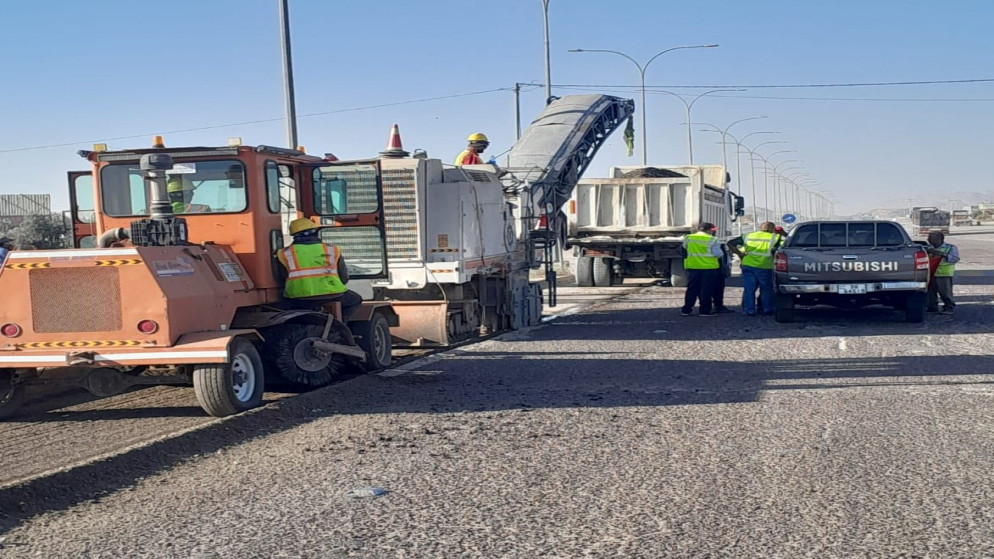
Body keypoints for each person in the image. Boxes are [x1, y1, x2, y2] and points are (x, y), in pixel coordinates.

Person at [277, 218, 362, 322]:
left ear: (294, 235)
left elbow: (281, 278)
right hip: (333, 295)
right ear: (315, 232)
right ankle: (339, 325)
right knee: (355, 300)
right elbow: (344, 278)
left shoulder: (284, 254)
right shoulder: (332, 250)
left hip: (298, 299)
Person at [728, 221, 780, 316]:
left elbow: (730, 243)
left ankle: (749, 310)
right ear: (772, 229)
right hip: (764, 266)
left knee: (749, 289)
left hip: (748, 265)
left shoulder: (748, 235)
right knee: (766, 289)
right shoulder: (774, 237)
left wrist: (740, 254)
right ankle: (767, 309)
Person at [680, 222, 724, 317]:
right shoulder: (713, 239)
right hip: (709, 267)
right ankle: (704, 311)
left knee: (692, 289)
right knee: (706, 290)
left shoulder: (689, 238)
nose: (713, 232)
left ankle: (686, 310)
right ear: (708, 230)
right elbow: (718, 254)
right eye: (712, 230)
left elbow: (684, 249)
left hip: (693, 267)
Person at [925, 231, 959, 315]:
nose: (928, 240)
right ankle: (932, 307)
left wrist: (943, 255)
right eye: (929, 238)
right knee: (930, 292)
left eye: (931, 239)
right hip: (930, 274)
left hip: (944, 274)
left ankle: (948, 307)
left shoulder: (950, 248)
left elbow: (955, 259)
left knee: (945, 293)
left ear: (939, 239)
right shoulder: (927, 248)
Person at [710, 243, 735, 313]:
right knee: (718, 286)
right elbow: (719, 254)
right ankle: (717, 306)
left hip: (697, 266)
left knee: (703, 288)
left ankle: (705, 307)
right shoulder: (713, 240)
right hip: (713, 265)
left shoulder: (690, 239)